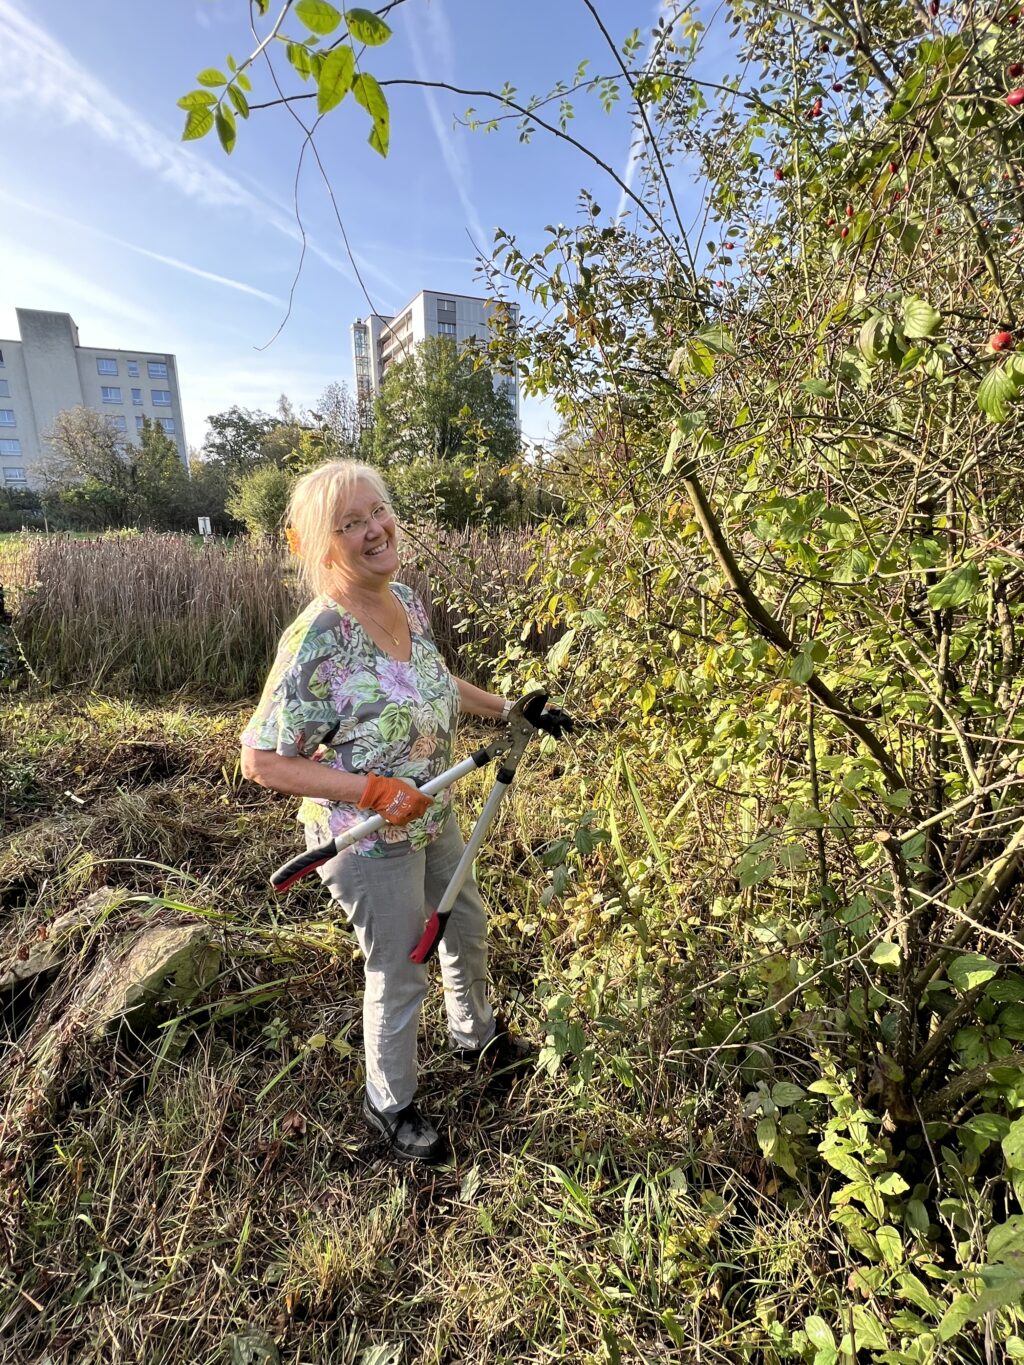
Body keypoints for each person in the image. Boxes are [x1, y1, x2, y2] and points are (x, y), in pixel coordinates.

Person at [240, 460, 571, 1164]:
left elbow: (429, 677)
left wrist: (509, 709)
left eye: (378, 511)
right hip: (367, 839)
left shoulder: (407, 601)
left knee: (467, 924)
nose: (373, 529)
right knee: (399, 966)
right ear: (322, 545)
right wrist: (371, 791)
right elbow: (262, 759)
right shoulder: (316, 639)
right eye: (350, 523)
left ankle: (475, 1037)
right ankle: (389, 1101)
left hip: (433, 810)